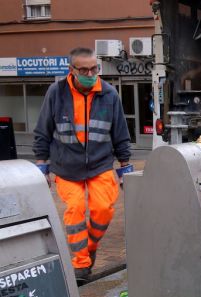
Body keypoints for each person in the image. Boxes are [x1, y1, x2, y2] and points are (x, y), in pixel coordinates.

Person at [33, 47, 131, 281]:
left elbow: (120, 132)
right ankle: (81, 266)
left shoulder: (109, 94)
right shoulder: (56, 93)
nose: (90, 73)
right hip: (66, 166)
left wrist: (125, 166)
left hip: (100, 164)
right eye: (84, 69)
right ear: (72, 70)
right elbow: (43, 130)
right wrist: (41, 166)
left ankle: (90, 247)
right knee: (75, 209)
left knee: (104, 209)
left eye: (94, 68)